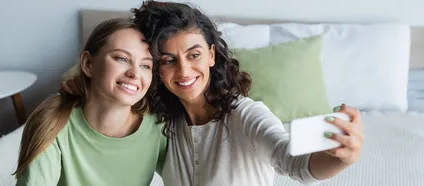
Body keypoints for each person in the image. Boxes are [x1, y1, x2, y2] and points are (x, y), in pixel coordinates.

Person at [63, 1, 365, 185]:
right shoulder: (161, 122)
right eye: (168, 60)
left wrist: (341, 158)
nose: (183, 71)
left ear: (211, 55)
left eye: (193, 55)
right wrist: (78, 92)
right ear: (155, 67)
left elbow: (295, 165)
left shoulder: (246, 115)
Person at [14, 18, 166, 186]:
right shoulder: (52, 122)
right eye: (121, 58)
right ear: (88, 64)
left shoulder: (159, 127)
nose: (135, 73)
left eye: (146, 66)